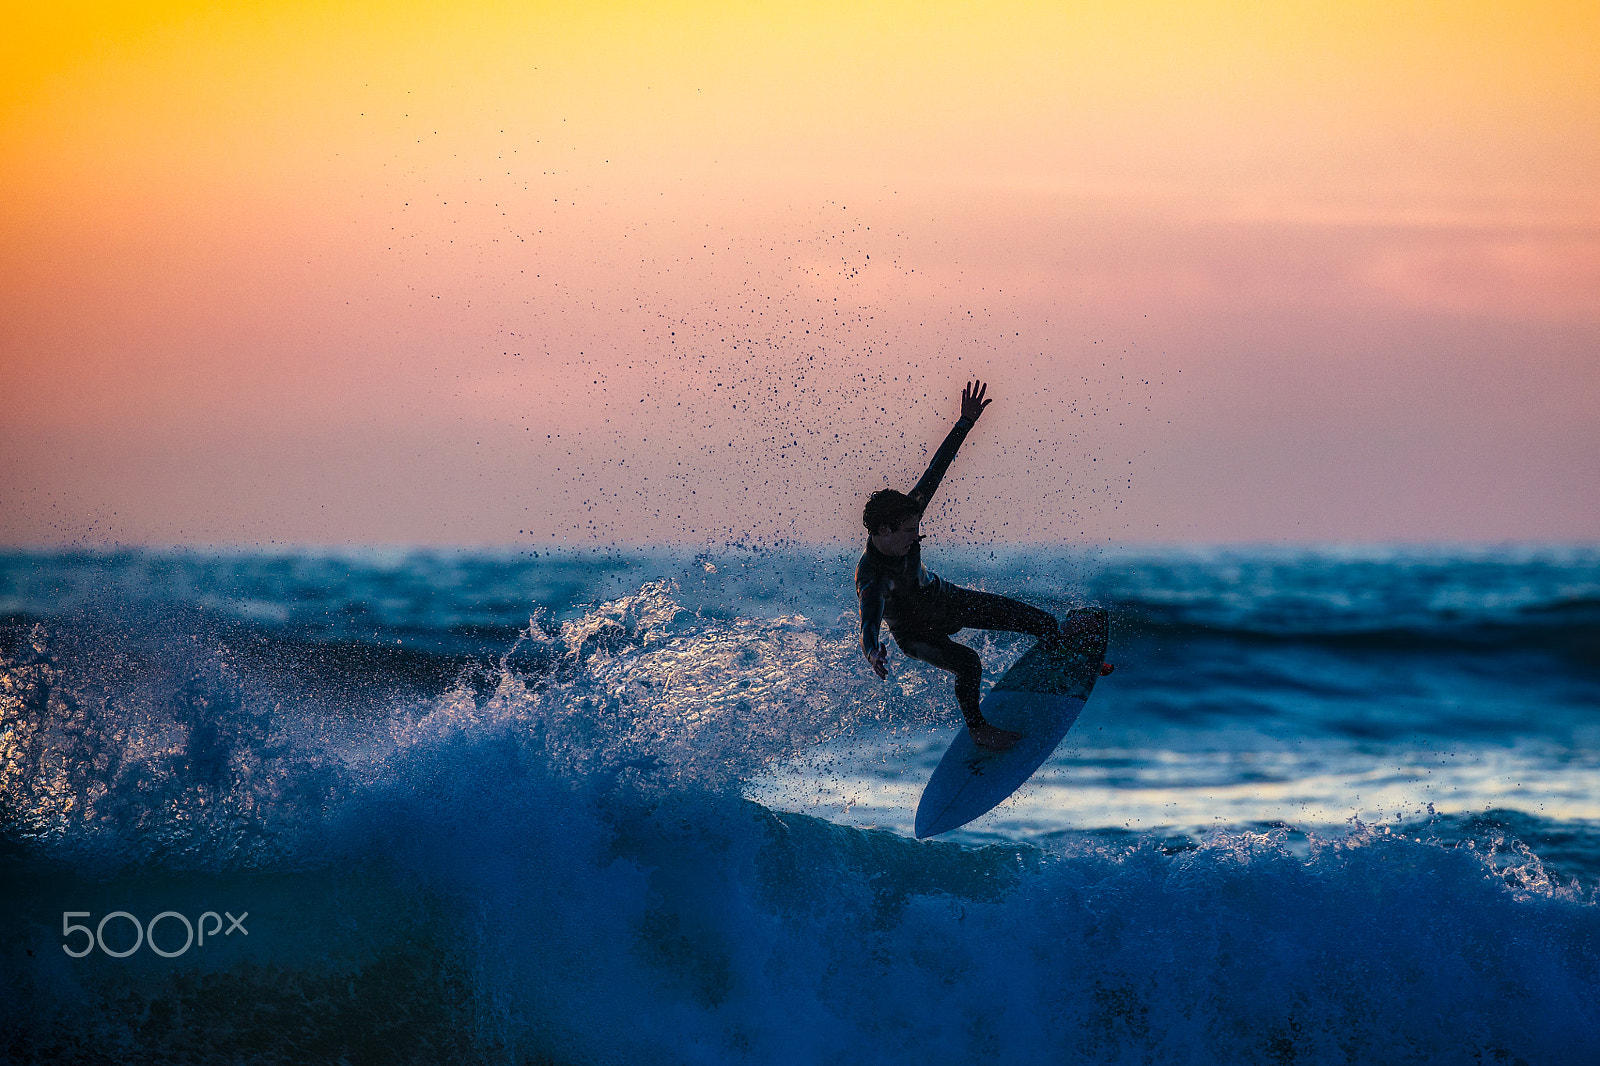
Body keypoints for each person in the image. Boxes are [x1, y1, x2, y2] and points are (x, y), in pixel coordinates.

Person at [856, 380, 1113, 751]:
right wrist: (872, 650)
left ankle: (1075, 665)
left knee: (1039, 622)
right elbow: (869, 619)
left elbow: (936, 469)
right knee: (968, 663)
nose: (916, 536)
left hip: (946, 600)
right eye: (909, 532)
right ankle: (979, 730)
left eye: (916, 527)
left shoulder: (906, 513)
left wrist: (965, 422)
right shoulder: (871, 577)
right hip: (915, 632)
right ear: (883, 530)